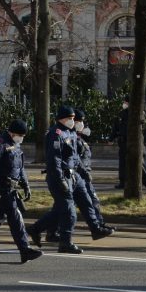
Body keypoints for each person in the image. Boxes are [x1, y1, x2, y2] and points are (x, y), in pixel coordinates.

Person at [0, 119, 42, 263]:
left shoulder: (16, 145)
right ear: (11, 132)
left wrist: (25, 184)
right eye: (19, 135)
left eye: (23, 136)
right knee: (15, 217)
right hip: (3, 188)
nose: (21, 138)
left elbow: (20, 167)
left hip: (12, 188)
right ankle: (25, 249)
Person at [33, 105, 88, 254]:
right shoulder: (56, 134)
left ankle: (35, 229)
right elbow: (54, 160)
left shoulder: (69, 132)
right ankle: (65, 243)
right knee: (69, 211)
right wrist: (60, 179)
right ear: (62, 119)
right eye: (70, 118)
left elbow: (74, 157)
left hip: (70, 176)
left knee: (61, 209)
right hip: (58, 177)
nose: (72, 121)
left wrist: (82, 172)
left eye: (73, 118)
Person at [72, 110, 115, 237]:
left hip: (83, 174)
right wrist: (84, 172)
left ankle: (98, 225)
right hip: (78, 175)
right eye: (79, 121)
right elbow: (75, 159)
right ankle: (48, 229)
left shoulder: (80, 138)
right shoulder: (71, 137)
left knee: (91, 201)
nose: (82, 124)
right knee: (69, 206)